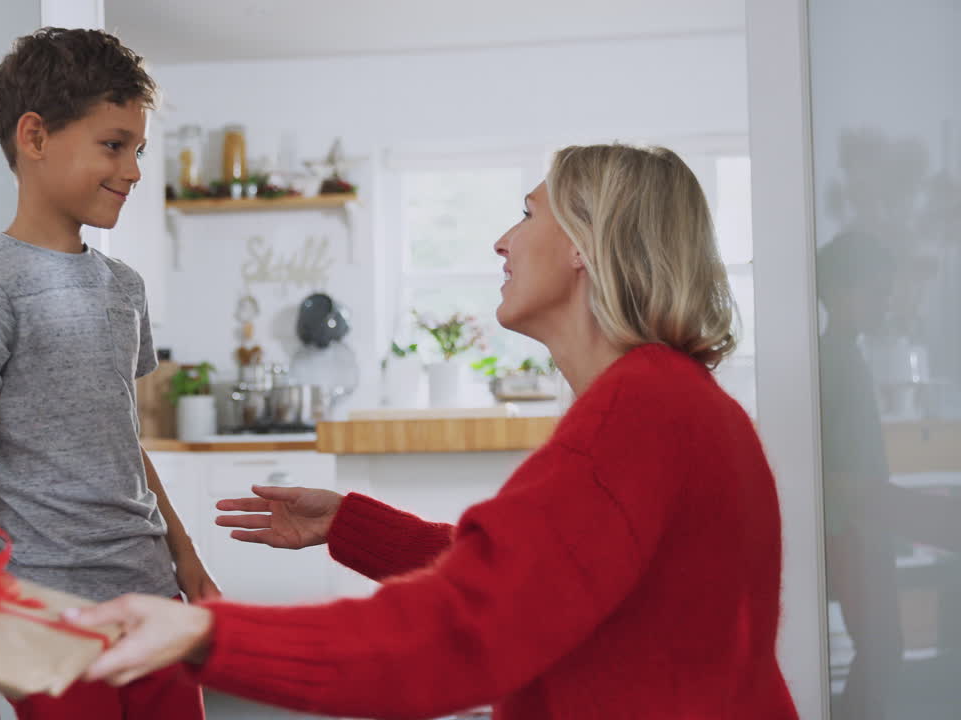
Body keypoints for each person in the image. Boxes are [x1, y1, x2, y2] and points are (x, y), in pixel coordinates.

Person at [65, 144, 801, 719]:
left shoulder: (639, 412)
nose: (502, 242)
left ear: (585, 244)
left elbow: (465, 631)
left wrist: (209, 635)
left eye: (527, 213)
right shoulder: (673, 399)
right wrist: (356, 527)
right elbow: (549, 579)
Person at [0, 27, 215, 720]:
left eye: (138, 149)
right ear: (34, 137)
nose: (136, 170)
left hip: (152, 605)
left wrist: (190, 564)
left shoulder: (124, 288)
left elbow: (123, 445)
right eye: (114, 145)